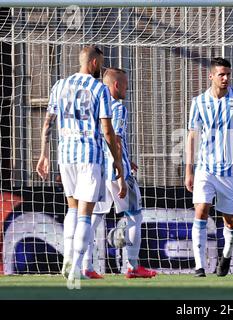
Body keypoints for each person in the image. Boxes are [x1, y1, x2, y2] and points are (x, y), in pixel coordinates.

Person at [36, 46, 125, 281]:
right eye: (101, 64)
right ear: (94, 63)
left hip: (65, 156)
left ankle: (67, 261)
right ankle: (75, 267)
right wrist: (117, 161)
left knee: (72, 209)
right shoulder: (99, 88)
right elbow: (107, 130)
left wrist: (43, 154)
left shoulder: (60, 85)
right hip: (90, 157)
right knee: (86, 212)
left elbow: (47, 124)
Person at [185, 57, 233, 277]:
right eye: (221, 74)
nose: (225, 78)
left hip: (232, 171)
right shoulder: (198, 102)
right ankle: (199, 267)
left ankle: (226, 256)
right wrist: (189, 169)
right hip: (205, 168)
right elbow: (191, 136)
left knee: (230, 220)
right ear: (211, 76)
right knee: (201, 210)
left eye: (228, 74)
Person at [82, 68, 157, 279]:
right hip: (116, 170)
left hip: (97, 169)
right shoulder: (117, 107)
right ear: (116, 86)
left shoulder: (92, 108)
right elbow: (115, 138)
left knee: (92, 218)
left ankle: (85, 267)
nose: (127, 88)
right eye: (125, 84)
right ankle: (133, 267)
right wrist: (122, 172)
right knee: (135, 214)